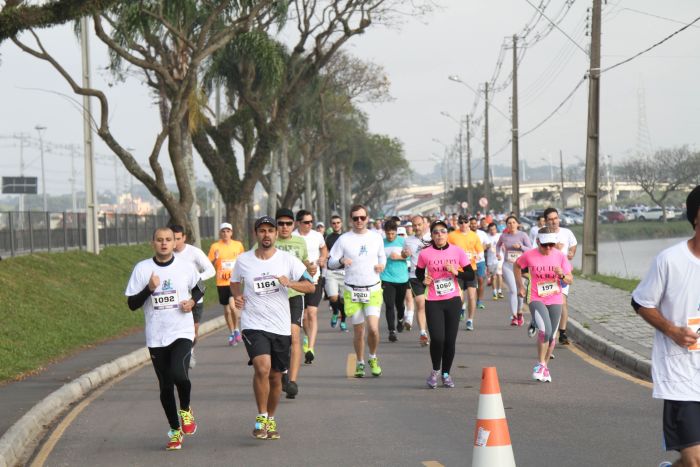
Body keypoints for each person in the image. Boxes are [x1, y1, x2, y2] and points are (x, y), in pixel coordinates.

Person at [231, 216, 314, 440]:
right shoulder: (244, 260)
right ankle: (261, 416)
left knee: (276, 377)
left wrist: (290, 283)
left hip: (279, 326)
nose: (266, 235)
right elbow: (234, 280)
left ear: (276, 234)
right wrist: (238, 296)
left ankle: (271, 417)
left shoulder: (288, 261)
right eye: (262, 231)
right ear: (255, 233)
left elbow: (310, 285)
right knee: (262, 367)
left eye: (270, 230)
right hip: (253, 324)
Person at [633, 187, 700, 467]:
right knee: (695, 459)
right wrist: (672, 330)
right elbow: (640, 302)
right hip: (681, 375)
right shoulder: (670, 261)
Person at [125, 227, 203, 450]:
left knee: (180, 373)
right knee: (166, 386)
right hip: (157, 337)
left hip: (182, 331)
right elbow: (132, 304)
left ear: (174, 243)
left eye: (168, 240)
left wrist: (192, 302)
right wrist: (149, 289)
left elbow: (200, 288)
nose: (164, 243)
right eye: (159, 240)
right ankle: (175, 430)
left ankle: (186, 410)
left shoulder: (185, 266)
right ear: (153, 243)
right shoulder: (142, 269)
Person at [328, 204, 386, 378]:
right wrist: (341, 261)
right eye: (355, 218)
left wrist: (381, 265)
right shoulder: (344, 239)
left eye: (362, 217)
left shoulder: (376, 237)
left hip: (373, 288)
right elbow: (330, 262)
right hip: (353, 289)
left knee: (374, 329)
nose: (359, 221)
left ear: (367, 218)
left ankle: (373, 357)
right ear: (350, 220)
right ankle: (360, 362)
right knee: (359, 331)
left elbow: (382, 256)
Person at [417, 219, 472, 388]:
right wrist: (423, 280)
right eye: (436, 232)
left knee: (450, 340)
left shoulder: (457, 252)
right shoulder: (425, 254)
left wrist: (456, 272)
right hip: (433, 301)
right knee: (438, 339)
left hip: (453, 300)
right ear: (432, 235)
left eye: (442, 231)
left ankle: (446, 374)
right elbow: (418, 273)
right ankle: (435, 371)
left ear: (447, 234)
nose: (439, 235)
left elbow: (471, 275)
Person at [514, 226, 573, 383]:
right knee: (545, 331)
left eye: (551, 245)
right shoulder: (529, 255)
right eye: (544, 245)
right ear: (538, 241)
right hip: (536, 297)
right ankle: (540, 364)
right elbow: (517, 266)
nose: (548, 248)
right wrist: (519, 285)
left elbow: (570, 279)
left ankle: (545, 366)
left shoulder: (560, 256)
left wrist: (561, 274)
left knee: (552, 335)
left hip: (555, 298)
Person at [270, 208, 310, 399]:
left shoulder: (300, 242)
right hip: (272, 298)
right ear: (276, 225)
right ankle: (283, 373)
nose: (284, 227)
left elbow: (305, 265)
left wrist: (311, 268)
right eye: (280, 223)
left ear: (293, 225)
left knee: (294, 336)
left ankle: (291, 381)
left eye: (288, 223)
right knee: (280, 340)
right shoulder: (268, 241)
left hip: (294, 295)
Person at [171, 224, 216, 369]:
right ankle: (179, 355)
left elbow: (211, 270)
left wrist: (196, 279)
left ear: (184, 237)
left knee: (193, 331)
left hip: (196, 297)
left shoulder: (194, 252)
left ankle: (189, 351)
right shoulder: (167, 254)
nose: (175, 242)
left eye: (178, 239)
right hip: (176, 300)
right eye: (172, 239)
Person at [293, 210, 328, 364]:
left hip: (314, 278)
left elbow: (324, 248)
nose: (309, 225)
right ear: (298, 223)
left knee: (312, 312)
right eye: (306, 222)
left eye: (311, 222)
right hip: (298, 281)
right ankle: (307, 337)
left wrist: (322, 258)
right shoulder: (293, 237)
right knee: (304, 315)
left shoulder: (317, 236)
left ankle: (310, 348)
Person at [543, 207, 578, 345]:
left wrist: (571, 253)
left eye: (555, 218)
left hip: (563, 273)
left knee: (562, 302)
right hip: (546, 274)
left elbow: (574, 244)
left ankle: (561, 333)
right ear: (546, 221)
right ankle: (547, 331)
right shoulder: (542, 235)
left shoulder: (567, 232)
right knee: (549, 305)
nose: (554, 221)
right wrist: (552, 248)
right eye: (550, 219)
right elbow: (536, 252)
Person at [207, 222, 245, 346]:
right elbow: (209, 265)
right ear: (220, 233)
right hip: (221, 282)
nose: (225, 233)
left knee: (233, 307)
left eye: (228, 231)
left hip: (234, 281)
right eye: (223, 231)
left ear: (231, 233)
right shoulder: (215, 247)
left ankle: (237, 329)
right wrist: (215, 259)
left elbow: (243, 261)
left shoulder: (238, 245)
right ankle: (232, 332)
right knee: (227, 310)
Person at [447, 214, 483, 331]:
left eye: (465, 222)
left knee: (472, 296)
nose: (463, 224)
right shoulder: (452, 235)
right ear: (458, 223)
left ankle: (470, 320)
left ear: (469, 223)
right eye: (461, 222)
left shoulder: (474, 236)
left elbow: (480, 251)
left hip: (471, 269)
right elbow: (446, 250)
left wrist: (478, 256)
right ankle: (462, 307)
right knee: (459, 297)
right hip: (457, 271)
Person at [496, 216, 532, 326]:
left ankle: (520, 312)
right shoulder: (504, 236)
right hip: (507, 265)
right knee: (513, 290)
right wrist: (498, 253)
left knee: (520, 291)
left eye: (513, 222)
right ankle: (514, 317)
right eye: (509, 223)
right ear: (506, 225)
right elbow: (498, 245)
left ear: (517, 224)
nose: (511, 225)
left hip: (521, 267)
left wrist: (521, 246)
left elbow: (530, 249)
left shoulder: (523, 235)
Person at [405, 215, 432, 346]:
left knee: (431, 307)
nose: (417, 227)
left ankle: (433, 330)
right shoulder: (408, 240)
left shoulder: (432, 238)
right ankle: (422, 333)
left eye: (419, 224)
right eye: (414, 225)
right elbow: (404, 254)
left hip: (432, 277)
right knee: (420, 304)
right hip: (415, 276)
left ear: (424, 224)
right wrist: (404, 254)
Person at [381, 220, 410, 342]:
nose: (390, 236)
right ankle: (391, 331)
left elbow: (409, 255)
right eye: (388, 234)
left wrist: (399, 257)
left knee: (400, 305)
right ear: (385, 232)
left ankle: (400, 319)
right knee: (389, 305)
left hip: (402, 278)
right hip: (386, 278)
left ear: (396, 232)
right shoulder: (381, 243)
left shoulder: (403, 242)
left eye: (393, 233)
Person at [323, 215, 348, 331]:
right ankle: (335, 311)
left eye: (338, 222)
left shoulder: (347, 237)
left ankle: (343, 320)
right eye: (333, 223)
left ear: (341, 223)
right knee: (333, 298)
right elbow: (325, 253)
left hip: (345, 271)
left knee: (344, 299)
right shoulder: (328, 238)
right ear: (331, 224)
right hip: (331, 271)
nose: (336, 225)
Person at [469, 216, 490, 310]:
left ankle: (479, 301)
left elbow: (488, 244)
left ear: (477, 224)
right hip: (469, 261)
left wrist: (481, 249)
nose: (473, 225)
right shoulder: (466, 234)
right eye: (471, 223)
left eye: (475, 223)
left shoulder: (482, 234)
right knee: (470, 282)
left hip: (480, 260)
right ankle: (469, 301)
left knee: (481, 280)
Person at [485, 222, 504, 300]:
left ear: (496, 229)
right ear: (489, 230)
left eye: (494, 229)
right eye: (491, 229)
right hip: (490, 259)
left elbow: (504, 245)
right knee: (493, 276)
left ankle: (499, 291)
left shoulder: (500, 236)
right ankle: (494, 292)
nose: (492, 231)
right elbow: (484, 247)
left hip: (499, 258)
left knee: (499, 274)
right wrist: (487, 246)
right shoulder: (487, 237)